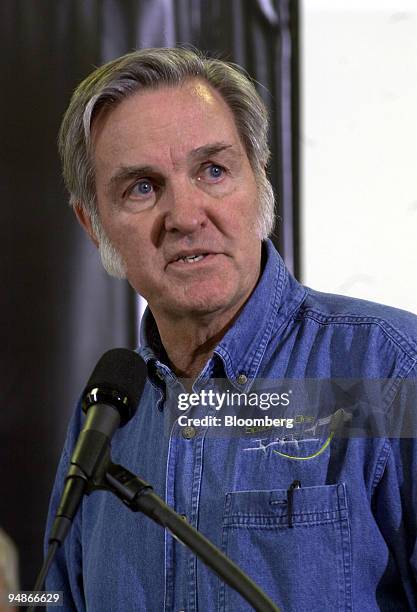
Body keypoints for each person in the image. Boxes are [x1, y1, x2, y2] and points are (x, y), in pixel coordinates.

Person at [45, 47, 417, 611]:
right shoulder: (108, 413)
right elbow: (52, 598)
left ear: (259, 181)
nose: (186, 216)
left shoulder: (386, 371)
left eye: (213, 171)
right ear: (92, 224)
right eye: (142, 187)